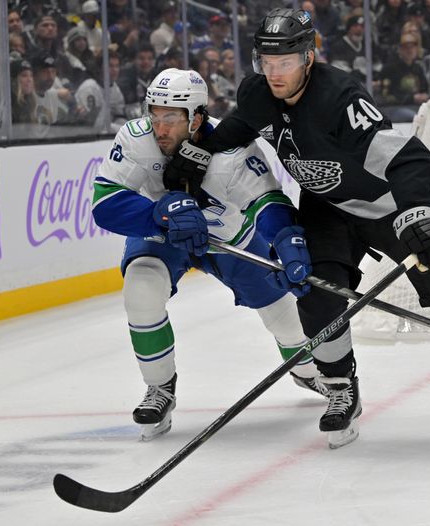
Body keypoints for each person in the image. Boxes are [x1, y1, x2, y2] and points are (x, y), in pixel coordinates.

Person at [167, 8, 430, 449]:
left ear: (308, 57)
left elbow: (409, 157)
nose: (274, 73)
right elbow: (234, 131)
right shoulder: (257, 94)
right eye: (266, 64)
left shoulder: (340, 98)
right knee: (316, 293)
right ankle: (342, 388)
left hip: (387, 206)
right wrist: (192, 160)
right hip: (326, 209)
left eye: (284, 63)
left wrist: (418, 211)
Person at [90, 68, 324, 441]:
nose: (159, 127)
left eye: (170, 117)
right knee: (141, 287)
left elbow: (267, 201)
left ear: (196, 117)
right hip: (163, 234)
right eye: (154, 114)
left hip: (231, 238)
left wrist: (285, 238)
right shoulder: (136, 139)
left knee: (286, 322)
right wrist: (157, 213)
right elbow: (105, 204)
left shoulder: (232, 149)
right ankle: (160, 389)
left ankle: (308, 371)